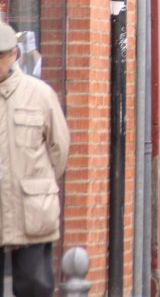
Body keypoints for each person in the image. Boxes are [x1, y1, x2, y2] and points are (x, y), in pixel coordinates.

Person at [0, 23, 69, 297]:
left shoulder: (39, 94)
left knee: (33, 287)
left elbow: (59, 149)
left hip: (31, 209)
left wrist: (38, 184)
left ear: (14, 55)